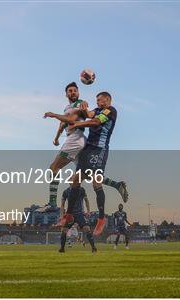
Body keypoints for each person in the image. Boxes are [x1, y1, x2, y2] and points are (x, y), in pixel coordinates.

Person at [43, 83, 128, 214]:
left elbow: (73, 119)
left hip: (75, 140)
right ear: (66, 94)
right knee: (89, 175)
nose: (72, 93)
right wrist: (57, 137)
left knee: (54, 167)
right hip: (79, 142)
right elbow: (66, 122)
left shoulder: (80, 104)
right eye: (70, 91)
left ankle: (52, 203)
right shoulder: (68, 107)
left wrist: (54, 114)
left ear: (78, 93)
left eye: (75, 91)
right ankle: (117, 185)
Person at [64, 91, 118, 236]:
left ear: (107, 100)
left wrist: (77, 123)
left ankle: (101, 218)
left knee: (96, 182)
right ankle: (68, 215)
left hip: (99, 149)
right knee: (75, 180)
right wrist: (83, 107)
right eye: (97, 101)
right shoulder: (98, 110)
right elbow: (89, 114)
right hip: (88, 148)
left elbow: (96, 121)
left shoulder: (110, 110)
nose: (98, 102)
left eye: (100, 100)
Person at [58, 186, 97, 253]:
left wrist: (88, 211)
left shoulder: (82, 189)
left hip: (80, 214)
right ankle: (62, 248)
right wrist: (61, 216)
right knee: (64, 230)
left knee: (87, 228)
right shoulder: (66, 191)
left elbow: (86, 200)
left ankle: (93, 248)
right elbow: (62, 204)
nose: (72, 180)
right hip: (70, 214)